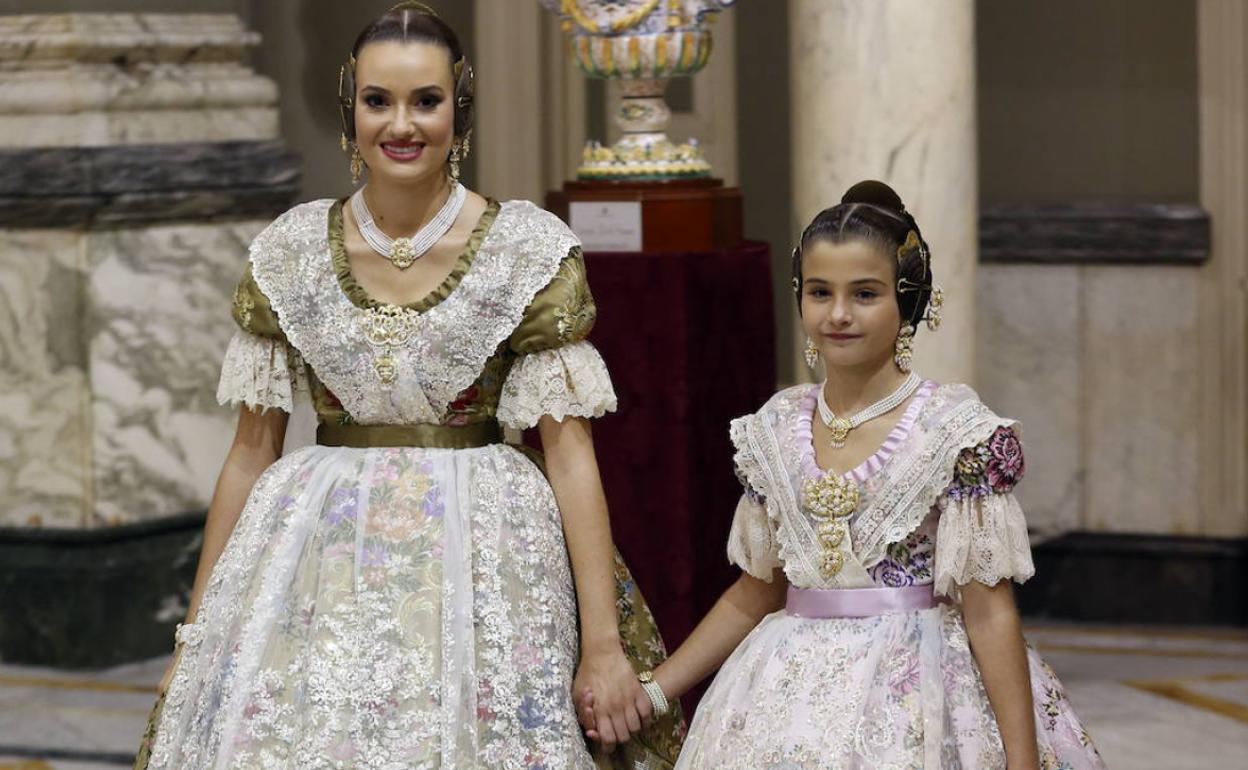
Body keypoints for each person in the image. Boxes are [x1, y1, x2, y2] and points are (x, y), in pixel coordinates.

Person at [132, 4, 681, 768]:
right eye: (378, 100)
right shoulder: (290, 251)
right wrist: (195, 638)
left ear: (459, 107)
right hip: (314, 553)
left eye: (426, 100)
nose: (403, 124)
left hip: (488, 551)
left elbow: (570, 456)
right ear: (349, 106)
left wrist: (601, 647)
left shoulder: (525, 250)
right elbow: (248, 455)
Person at [580, 180, 1106, 769]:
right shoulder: (774, 428)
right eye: (820, 292)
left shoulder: (954, 431)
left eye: (864, 294)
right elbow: (757, 591)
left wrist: (1021, 761)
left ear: (907, 302)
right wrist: (654, 692)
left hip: (919, 699)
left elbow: (990, 610)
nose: (837, 314)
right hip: (785, 693)